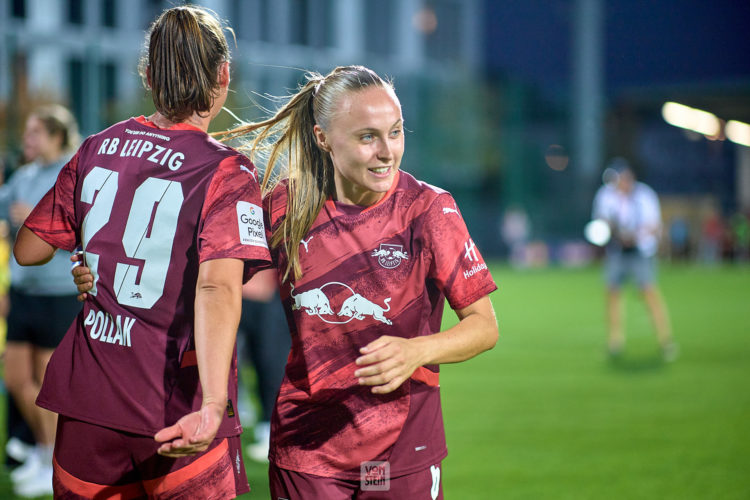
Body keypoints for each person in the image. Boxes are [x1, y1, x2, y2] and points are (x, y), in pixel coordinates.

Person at [13, 6, 270, 498]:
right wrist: (215, 405)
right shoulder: (226, 172)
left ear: (148, 75)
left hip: (90, 401)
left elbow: (28, 250)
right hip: (176, 399)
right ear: (223, 75)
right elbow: (217, 285)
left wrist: (91, 252)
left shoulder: (98, 147)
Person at [225, 65, 499, 498]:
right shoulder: (283, 209)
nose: (387, 151)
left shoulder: (428, 210)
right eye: (367, 137)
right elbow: (218, 284)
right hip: (307, 451)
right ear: (322, 138)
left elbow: (484, 325)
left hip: (404, 449)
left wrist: (417, 351)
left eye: (395, 132)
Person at [0, 104, 82, 498]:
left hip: (58, 295)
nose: (27, 140)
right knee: (16, 378)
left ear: (56, 136)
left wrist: (33, 219)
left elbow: (82, 230)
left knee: (47, 385)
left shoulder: (74, 173)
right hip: (22, 293)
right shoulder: (23, 175)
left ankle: (51, 458)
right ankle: (40, 447)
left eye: (35, 133)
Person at [591, 158, 677, 361]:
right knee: (612, 292)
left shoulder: (644, 195)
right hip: (617, 251)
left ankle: (665, 339)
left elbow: (654, 225)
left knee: (648, 292)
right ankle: (615, 341)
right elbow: (601, 222)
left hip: (641, 251)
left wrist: (634, 235)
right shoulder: (606, 195)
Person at [236, 269, 290, 463]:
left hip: (268, 296)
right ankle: (233, 413)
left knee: (270, 364)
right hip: (228, 291)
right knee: (225, 362)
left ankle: (268, 428)